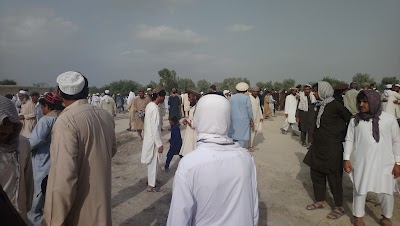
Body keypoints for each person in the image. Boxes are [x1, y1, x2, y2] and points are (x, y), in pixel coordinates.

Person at [166, 94, 259, 226]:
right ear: (228, 119)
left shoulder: (190, 164)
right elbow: (253, 211)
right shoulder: (246, 158)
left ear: (198, 119)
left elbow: (178, 218)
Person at [43, 71, 117, 226]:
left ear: (58, 92)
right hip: (101, 203)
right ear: (87, 92)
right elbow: (112, 150)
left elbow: (64, 177)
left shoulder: (66, 121)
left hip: (79, 212)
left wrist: (54, 220)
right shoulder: (105, 115)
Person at [343, 90, 400, 226]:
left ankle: (386, 217)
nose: (361, 104)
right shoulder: (355, 120)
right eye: (359, 102)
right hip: (363, 162)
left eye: (365, 102)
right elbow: (349, 139)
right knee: (360, 188)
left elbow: (396, 141)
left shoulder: (389, 119)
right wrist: (346, 158)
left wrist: (398, 162)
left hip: (385, 162)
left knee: (386, 190)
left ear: (374, 101)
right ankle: (358, 217)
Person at [303, 81, 352, 220]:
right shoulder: (319, 105)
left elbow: (351, 121)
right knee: (316, 172)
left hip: (332, 147)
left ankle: (339, 206)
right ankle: (320, 200)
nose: (314, 93)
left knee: (334, 176)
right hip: (318, 146)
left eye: (316, 91)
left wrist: (342, 135)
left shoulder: (336, 106)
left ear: (324, 91)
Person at [28, 93, 64, 226]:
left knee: (35, 205)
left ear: (46, 106)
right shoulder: (62, 118)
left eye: (42, 107)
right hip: (56, 165)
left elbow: (33, 142)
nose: (41, 110)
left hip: (41, 165)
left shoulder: (46, 120)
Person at [0, 96, 33, 223]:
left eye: (7, 123)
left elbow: (28, 178)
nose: (2, 128)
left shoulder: (23, 144)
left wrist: (25, 206)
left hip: (19, 212)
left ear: (14, 125)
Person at [141, 88, 167, 192]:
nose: (164, 99)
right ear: (159, 97)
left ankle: (151, 180)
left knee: (152, 163)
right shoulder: (155, 109)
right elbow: (155, 128)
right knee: (153, 163)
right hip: (153, 140)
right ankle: (151, 186)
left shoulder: (149, 106)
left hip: (149, 138)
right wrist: (159, 144)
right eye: (163, 97)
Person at [229, 82, 254, 148]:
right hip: (244, 119)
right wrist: (251, 119)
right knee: (241, 137)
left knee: (234, 135)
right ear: (246, 90)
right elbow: (249, 110)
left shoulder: (232, 97)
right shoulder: (246, 98)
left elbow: (229, 108)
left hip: (233, 119)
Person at [180, 90, 200, 157]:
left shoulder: (198, 108)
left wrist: (189, 123)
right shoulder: (193, 107)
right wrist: (187, 121)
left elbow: (196, 122)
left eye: (189, 97)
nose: (188, 99)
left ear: (194, 97)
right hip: (189, 133)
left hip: (194, 134)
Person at [249, 86, 263, 151]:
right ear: (252, 91)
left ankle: (252, 145)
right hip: (250, 117)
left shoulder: (257, 98)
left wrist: (261, 116)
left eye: (257, 91)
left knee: (255, 131)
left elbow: (259, 107)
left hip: (257, 117)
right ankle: (249, 146)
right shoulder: (248, 97)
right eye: (254, 91)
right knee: (250, 132)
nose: (255, 93)